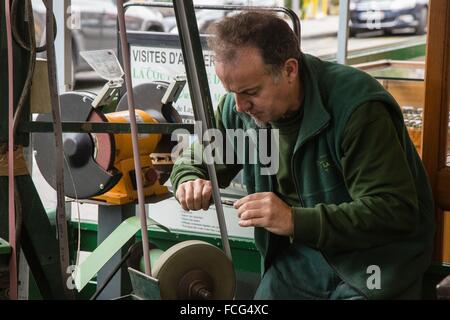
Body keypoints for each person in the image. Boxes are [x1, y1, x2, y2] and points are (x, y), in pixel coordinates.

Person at [169, 11, 435, 299]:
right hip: (301, 260)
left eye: (250, 91)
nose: (241, 105)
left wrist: (294, 220)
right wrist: (189, 177)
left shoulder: (357, 108)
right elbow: (195, 159)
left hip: (374, 263)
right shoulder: (240, 112)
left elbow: (394, 210)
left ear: (290, 70)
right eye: (231, 91)